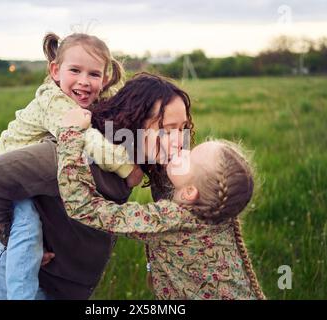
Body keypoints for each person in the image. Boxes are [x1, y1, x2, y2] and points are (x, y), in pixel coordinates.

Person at [0, 32, 142, 300]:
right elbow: (88, 140)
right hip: (5, 171)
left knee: (37, 228)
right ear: (55, 71)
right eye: (75, 70)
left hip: (29, 177)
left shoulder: (85, 100)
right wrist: (127, 169)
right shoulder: (52, 100)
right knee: (28, 228)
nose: (84, 81)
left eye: (94, 74)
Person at [55, 107, 266, 300]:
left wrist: (70, 134)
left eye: (188, 157)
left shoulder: (169, 219)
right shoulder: (217, 210)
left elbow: (83, 207)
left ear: (190, 192)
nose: (182, 150)